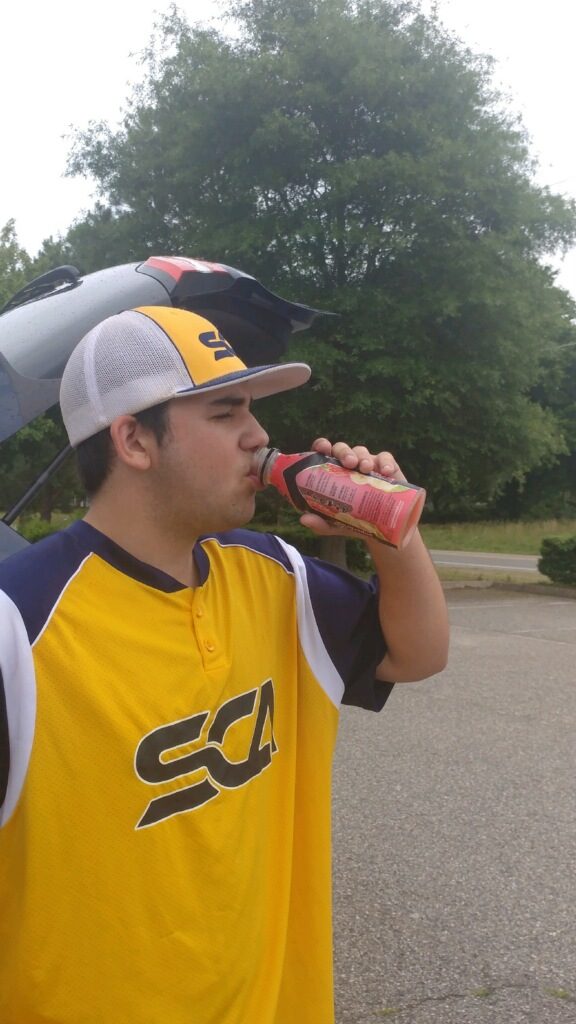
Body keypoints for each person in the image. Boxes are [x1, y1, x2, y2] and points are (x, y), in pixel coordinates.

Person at [0, 304, 449, 1024]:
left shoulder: (278, 576)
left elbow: (418, 654)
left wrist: (392, 537)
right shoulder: (17, 625)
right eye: (225, 412)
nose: (260, 436)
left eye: (254, 408)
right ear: (135, 441)